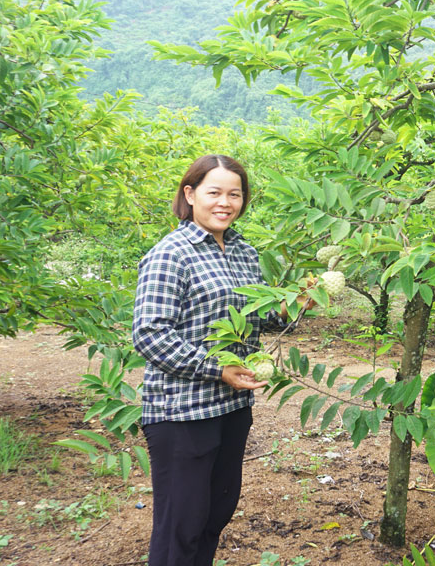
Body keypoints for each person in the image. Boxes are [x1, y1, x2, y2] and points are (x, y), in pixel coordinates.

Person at [133, 154, 310, 566]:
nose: (225, 202)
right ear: (190, 194)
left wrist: (296, 300)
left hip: (232, 407)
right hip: (181, 413)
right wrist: (217, 369)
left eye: (235, 194)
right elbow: (150, 334)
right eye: (214, 192)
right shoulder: (171, 254)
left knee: (215, 515)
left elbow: (261, 316)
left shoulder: (243, 252)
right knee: (182, 525)